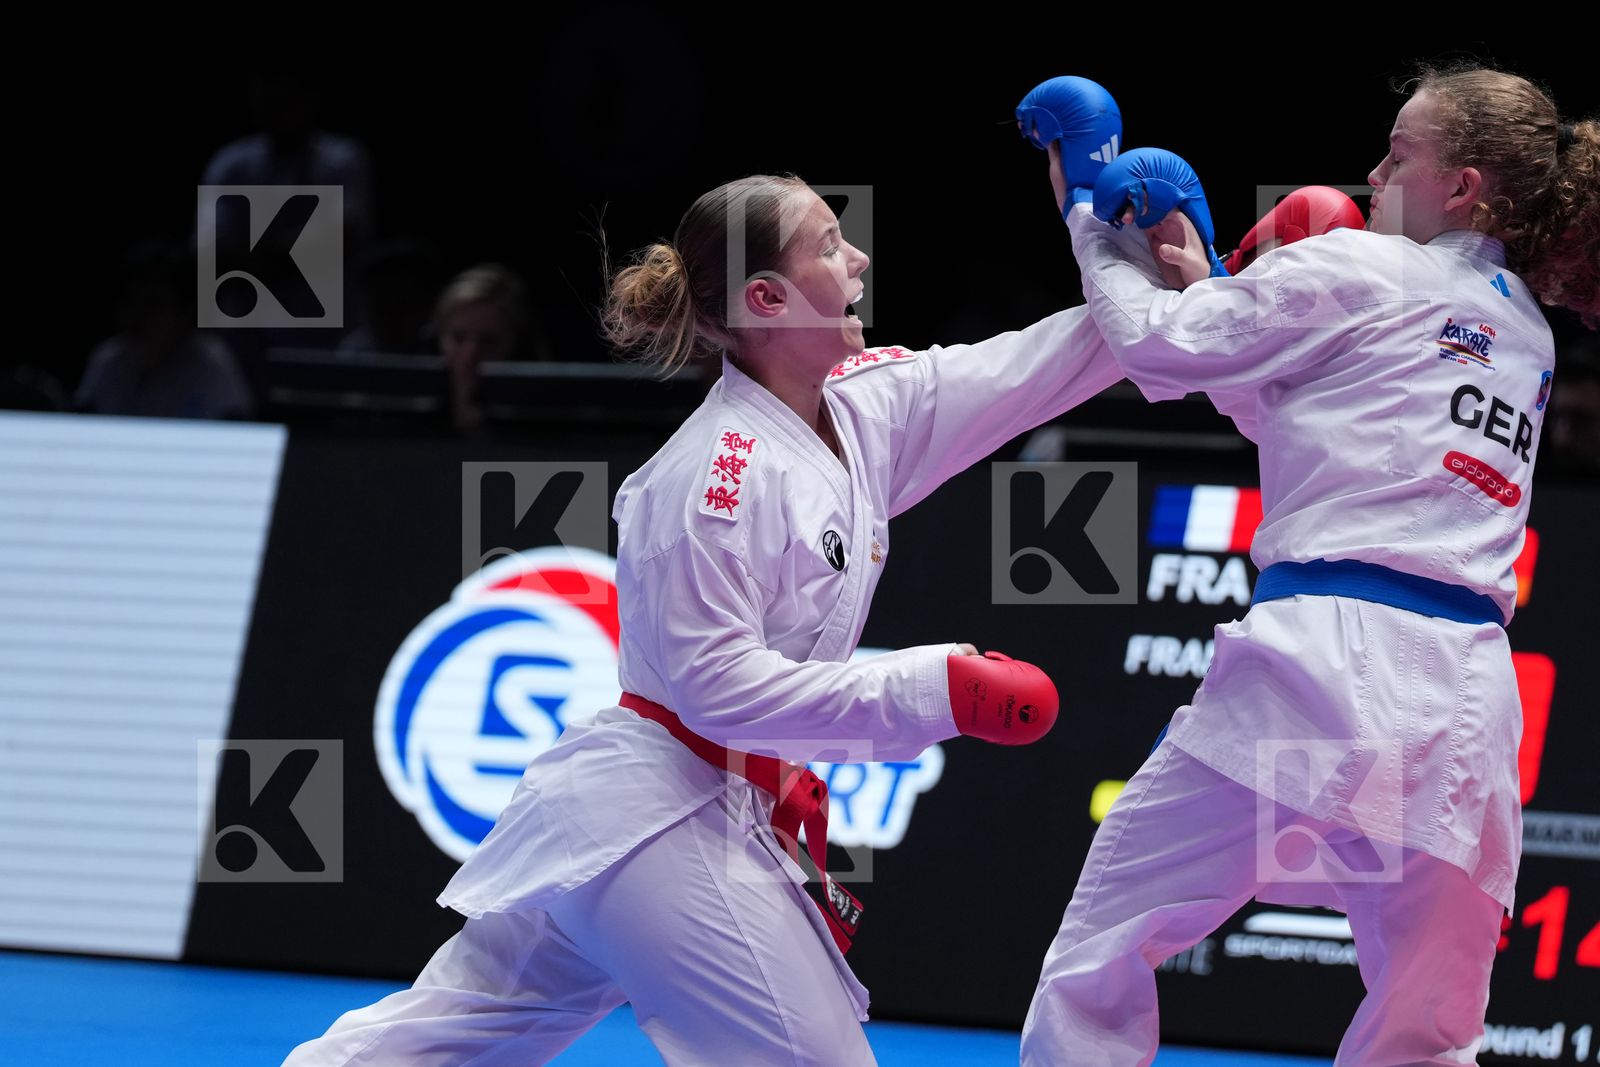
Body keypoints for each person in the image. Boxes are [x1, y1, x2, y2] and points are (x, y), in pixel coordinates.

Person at [284, 167, 1128, 1065]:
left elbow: (1034, 371)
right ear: (767, 297)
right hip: (662, 815)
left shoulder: (863, 404)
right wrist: (934, 689)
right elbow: (716, 689)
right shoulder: (710, 481)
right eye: (830, 246)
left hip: (662, 814)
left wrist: (1181, 280)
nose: (860, 258)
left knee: (439, 1041)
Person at [1023, 67, 1598, 1065]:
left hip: (1322, 675)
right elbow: (1317, 420)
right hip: (1461, 716)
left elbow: (1162, 352)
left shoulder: (1360, 266)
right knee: (1426, 1031)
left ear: (1460, 186)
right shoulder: (1526, 332)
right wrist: (1206, 280)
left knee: (1107, 946)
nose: (1372, 172)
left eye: (1397, 153)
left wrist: (1087, 211)